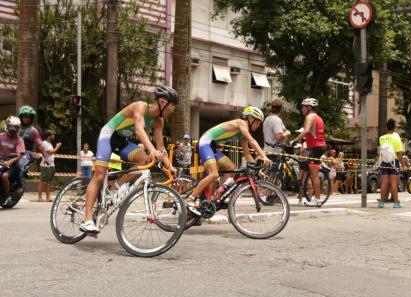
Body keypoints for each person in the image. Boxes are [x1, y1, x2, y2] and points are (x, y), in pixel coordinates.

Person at [80, 85, 179, 233]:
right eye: (172, 107)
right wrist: (151, 149)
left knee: (144, 160)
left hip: (122, 141)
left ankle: (115, 188)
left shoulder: (159, 121)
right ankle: (87, 219)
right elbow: (139, 130)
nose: (173, 111)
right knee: (100, 175)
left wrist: (169, 166)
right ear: (163, 102)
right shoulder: (140, 106)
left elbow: (161, 148)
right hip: (108, 135)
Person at [186, 106, 272, 214]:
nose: (259, 125)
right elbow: (252, 140)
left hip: (212, 147)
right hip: (205, 143)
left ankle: (216, 197)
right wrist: (264, 156)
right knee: (214, 174)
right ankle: (190, 198)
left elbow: (247, 154)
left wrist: (256, 168)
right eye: (258, 122)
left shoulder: (243, 134)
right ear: (250, 118)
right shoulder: (241, 123)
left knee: (232, 168)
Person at [292, 98, 327, 207]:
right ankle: (308, 196)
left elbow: (306, 130)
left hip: (316, 148)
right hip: (316, 147)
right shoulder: (318, 117)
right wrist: (306, 148)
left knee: (314, 176)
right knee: (309, 172)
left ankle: (317, 200)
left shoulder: (309, 116)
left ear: (309, 108)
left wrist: (295, 140)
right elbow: (313, 133)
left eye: (303, 107)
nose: (301, 109)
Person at [15, 106, 49, 189]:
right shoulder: (15, 127)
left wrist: (46, 157)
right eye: (25, 117)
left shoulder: (33, 131)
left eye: (29, 117)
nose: (27, 119)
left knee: (20, 166)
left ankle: (19, 186)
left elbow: (40, 145)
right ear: (21, 117)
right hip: (13, 152)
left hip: (26, 153)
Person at [378, 119, 406, 209]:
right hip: (394, 162)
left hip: (384, 161)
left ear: (386, 127)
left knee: (384, 182)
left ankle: (381, 202)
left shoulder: (381, 138)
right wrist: (403, 165)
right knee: (394, 183)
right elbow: (399, 153)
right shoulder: (396, 139)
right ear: (394, 128)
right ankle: (396, 203)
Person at [0, 116, 25, 206]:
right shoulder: (1, 136)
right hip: (1, 161)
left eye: (16, 127)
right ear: (7, 126)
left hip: (12, 163)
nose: (13, 129)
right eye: (12, 126)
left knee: (4, 176)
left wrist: (10, 161)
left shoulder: (19, 139)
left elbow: (19, 155)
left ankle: (6, 195)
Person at [263, 99, 291, 163]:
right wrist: (287, 133)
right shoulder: (277, 120)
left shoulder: (267, 119)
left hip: (268, 151)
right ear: (281, 109)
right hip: (274, 153)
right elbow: (278, 137)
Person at [37, 130, 61, 202]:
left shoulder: (49, 143)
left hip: (51, 165)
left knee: (49, 182)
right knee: (43, 181)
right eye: (52, 134)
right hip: (45, 166)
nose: (54, 136)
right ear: (49, 136)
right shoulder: (45, 143)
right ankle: (39, 197)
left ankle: (48, 197)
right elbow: (51, 152)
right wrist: (57, 146)